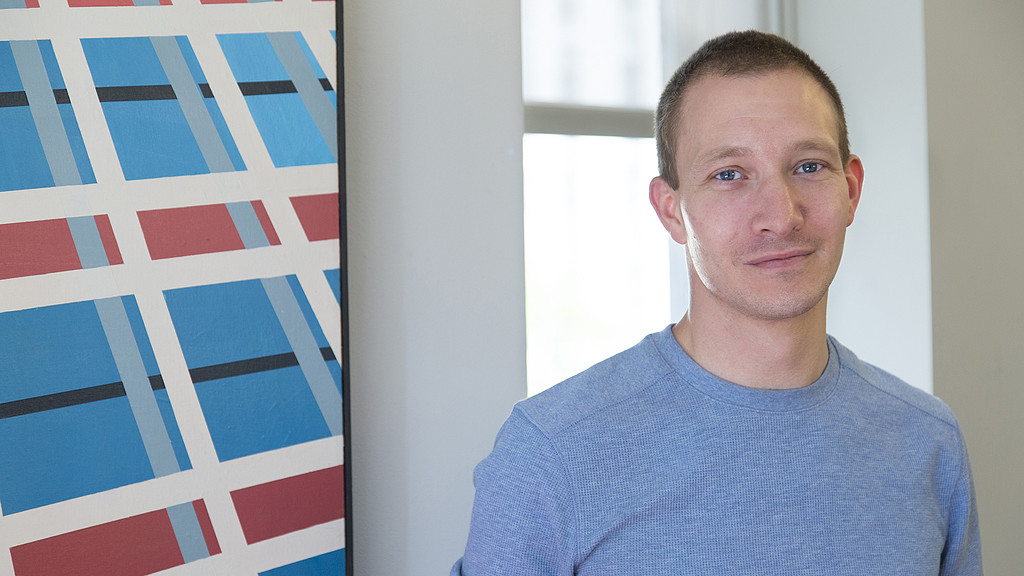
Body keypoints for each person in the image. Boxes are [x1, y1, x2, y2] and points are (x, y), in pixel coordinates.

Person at [451, 30, 982, 575]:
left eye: (808, 166)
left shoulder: (927, 442)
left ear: (852, 189)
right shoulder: (550, 455)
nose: (780, 214)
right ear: (672, 211)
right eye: (729, 175)